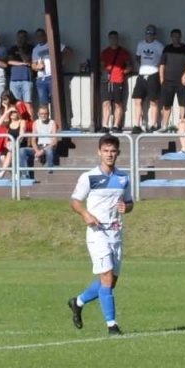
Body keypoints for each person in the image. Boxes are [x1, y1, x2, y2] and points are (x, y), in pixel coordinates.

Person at [67, 134, 133, 337]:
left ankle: (78, 302)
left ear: (118, 153)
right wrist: (86, 214)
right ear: (99, 152)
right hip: (97, 234)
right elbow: (75, 201)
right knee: (106, 277)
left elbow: (129, 202)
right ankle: (112, 326)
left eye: (113, 151)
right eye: (106, 151)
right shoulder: (89, 177)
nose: (109, 154)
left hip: (116, 233)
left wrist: (127, 207)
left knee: (110, 281)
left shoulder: (123, 178)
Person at [100, 30, 132, 131]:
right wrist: (105, 72)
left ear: (118, 39)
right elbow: (101, 66)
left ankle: (116, 125)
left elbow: (129, 66)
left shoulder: (123, 52)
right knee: (106, 103)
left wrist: (122, 72)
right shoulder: (105, 52)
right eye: (112, 38)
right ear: (109, 39)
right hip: (106, 81)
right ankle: (105, 125)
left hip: (118, 80)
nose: (114, 40)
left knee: (118, 103)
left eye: (115, 38)